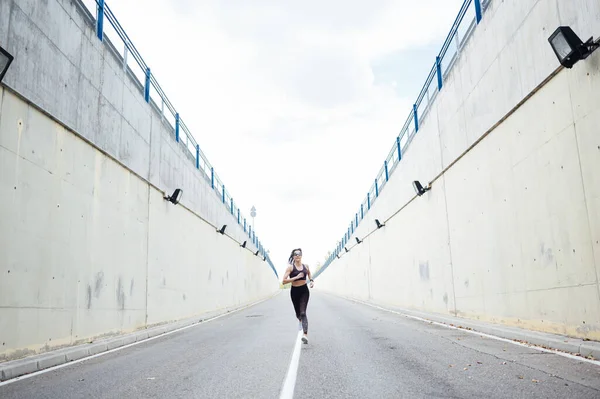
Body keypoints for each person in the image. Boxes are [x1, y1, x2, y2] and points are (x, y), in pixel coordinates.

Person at [282, 248, 314, 344]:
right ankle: (300, 320)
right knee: (298, 314)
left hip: (304, 290)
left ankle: (305, 335)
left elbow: (309, 274)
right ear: (293, 256)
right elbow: (283, 281)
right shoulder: (290, 268)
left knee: (303, 312)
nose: (297, 256)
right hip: (294, 291)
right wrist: (296, 277)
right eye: (295, 254)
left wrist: (311, 281)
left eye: (299, 254)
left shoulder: (306, 266)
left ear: (301, 255)